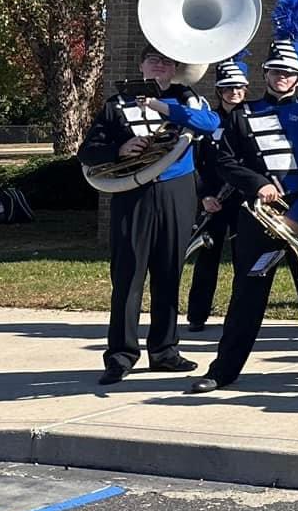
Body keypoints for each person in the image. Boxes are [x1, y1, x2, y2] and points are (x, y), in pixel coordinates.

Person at [190, 0, 298, 393]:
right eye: (275, 71)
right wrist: (257, 184)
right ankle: (224, 370)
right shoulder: (243, 115)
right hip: (258, 216)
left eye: (287, 73)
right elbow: (223, 160)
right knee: (248, 293)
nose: (281, 78)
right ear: (265, 74)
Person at [77, 43, 221, 384]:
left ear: (175, 69)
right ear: (141, 65)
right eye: (153, 60)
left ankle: (165, 351)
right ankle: (120, 355)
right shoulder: (117, 105)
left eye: (167, 62)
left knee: (169, 272)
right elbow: (88, 153)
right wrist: (120, 149)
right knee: (127, 276)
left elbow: (209, 123)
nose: (159, 66)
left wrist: (159, 105)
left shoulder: (187, 99)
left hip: (177, 192)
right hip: (133, 194)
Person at [185, 55, 252, 331]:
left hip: (244, 201)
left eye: (238, 88)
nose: (233, 93)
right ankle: (197, 315)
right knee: (207, 259)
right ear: (219, 91)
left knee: (243, 259)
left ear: (245, 89)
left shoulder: (253, 121)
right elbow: (194, 164)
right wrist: (204, 196)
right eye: (227, 88)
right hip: (213, 200)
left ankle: (239, 316)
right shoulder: (207, 123)